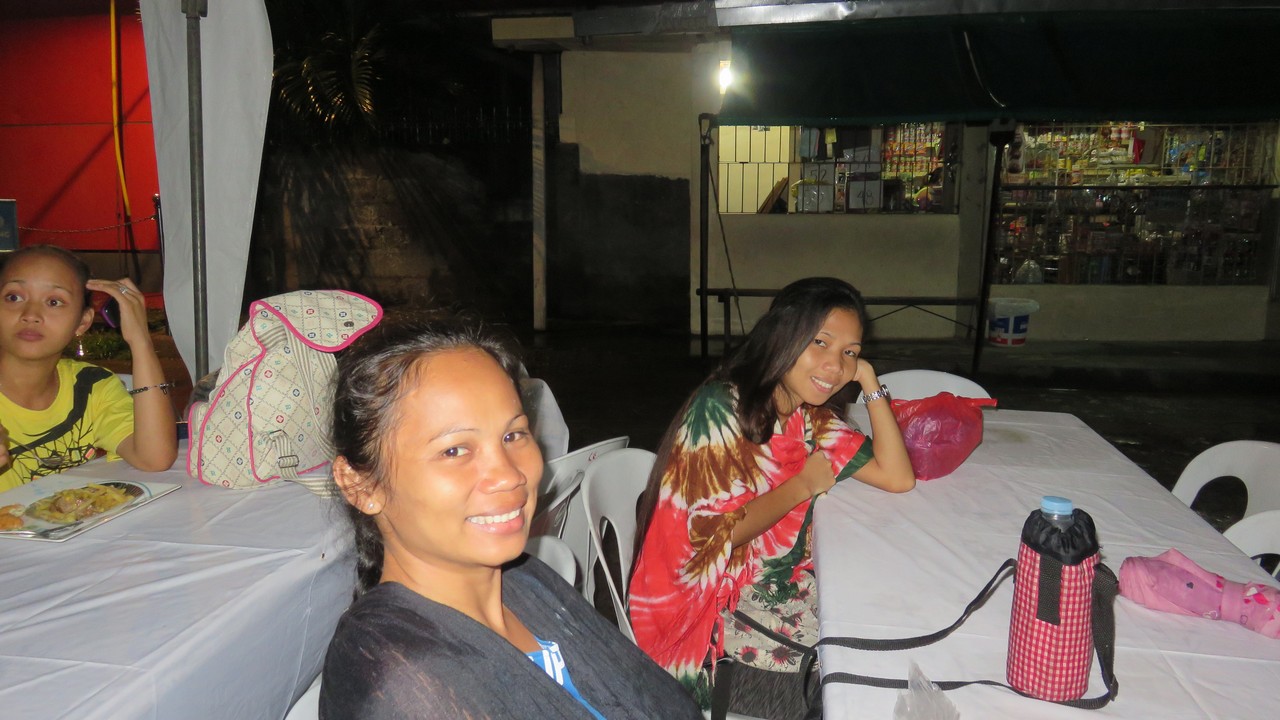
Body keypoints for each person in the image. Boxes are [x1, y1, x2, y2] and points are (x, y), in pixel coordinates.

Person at [320, 313, 702, 720]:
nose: (509, 475)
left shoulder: (526, 580)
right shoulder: (403, 684)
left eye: (513, 435)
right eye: (454, 450)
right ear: (361, 486)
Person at [628, 277, 915, 718]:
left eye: (849, 352)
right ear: (783, 335)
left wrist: (869, 380)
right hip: (706, 616)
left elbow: (897, 477)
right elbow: (714, 537)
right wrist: (801, 485)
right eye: (820, 342)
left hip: (769, 585)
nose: (834, 365)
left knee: (879, 625)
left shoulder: (806, 415)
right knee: (844, 672)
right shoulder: (721, 408)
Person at [0, 245, 177, 491]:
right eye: (14, 297)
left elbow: (155, 457)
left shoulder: (90, 387)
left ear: (82, 322)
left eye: (54, 301)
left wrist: (140, 340)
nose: (31, 314)